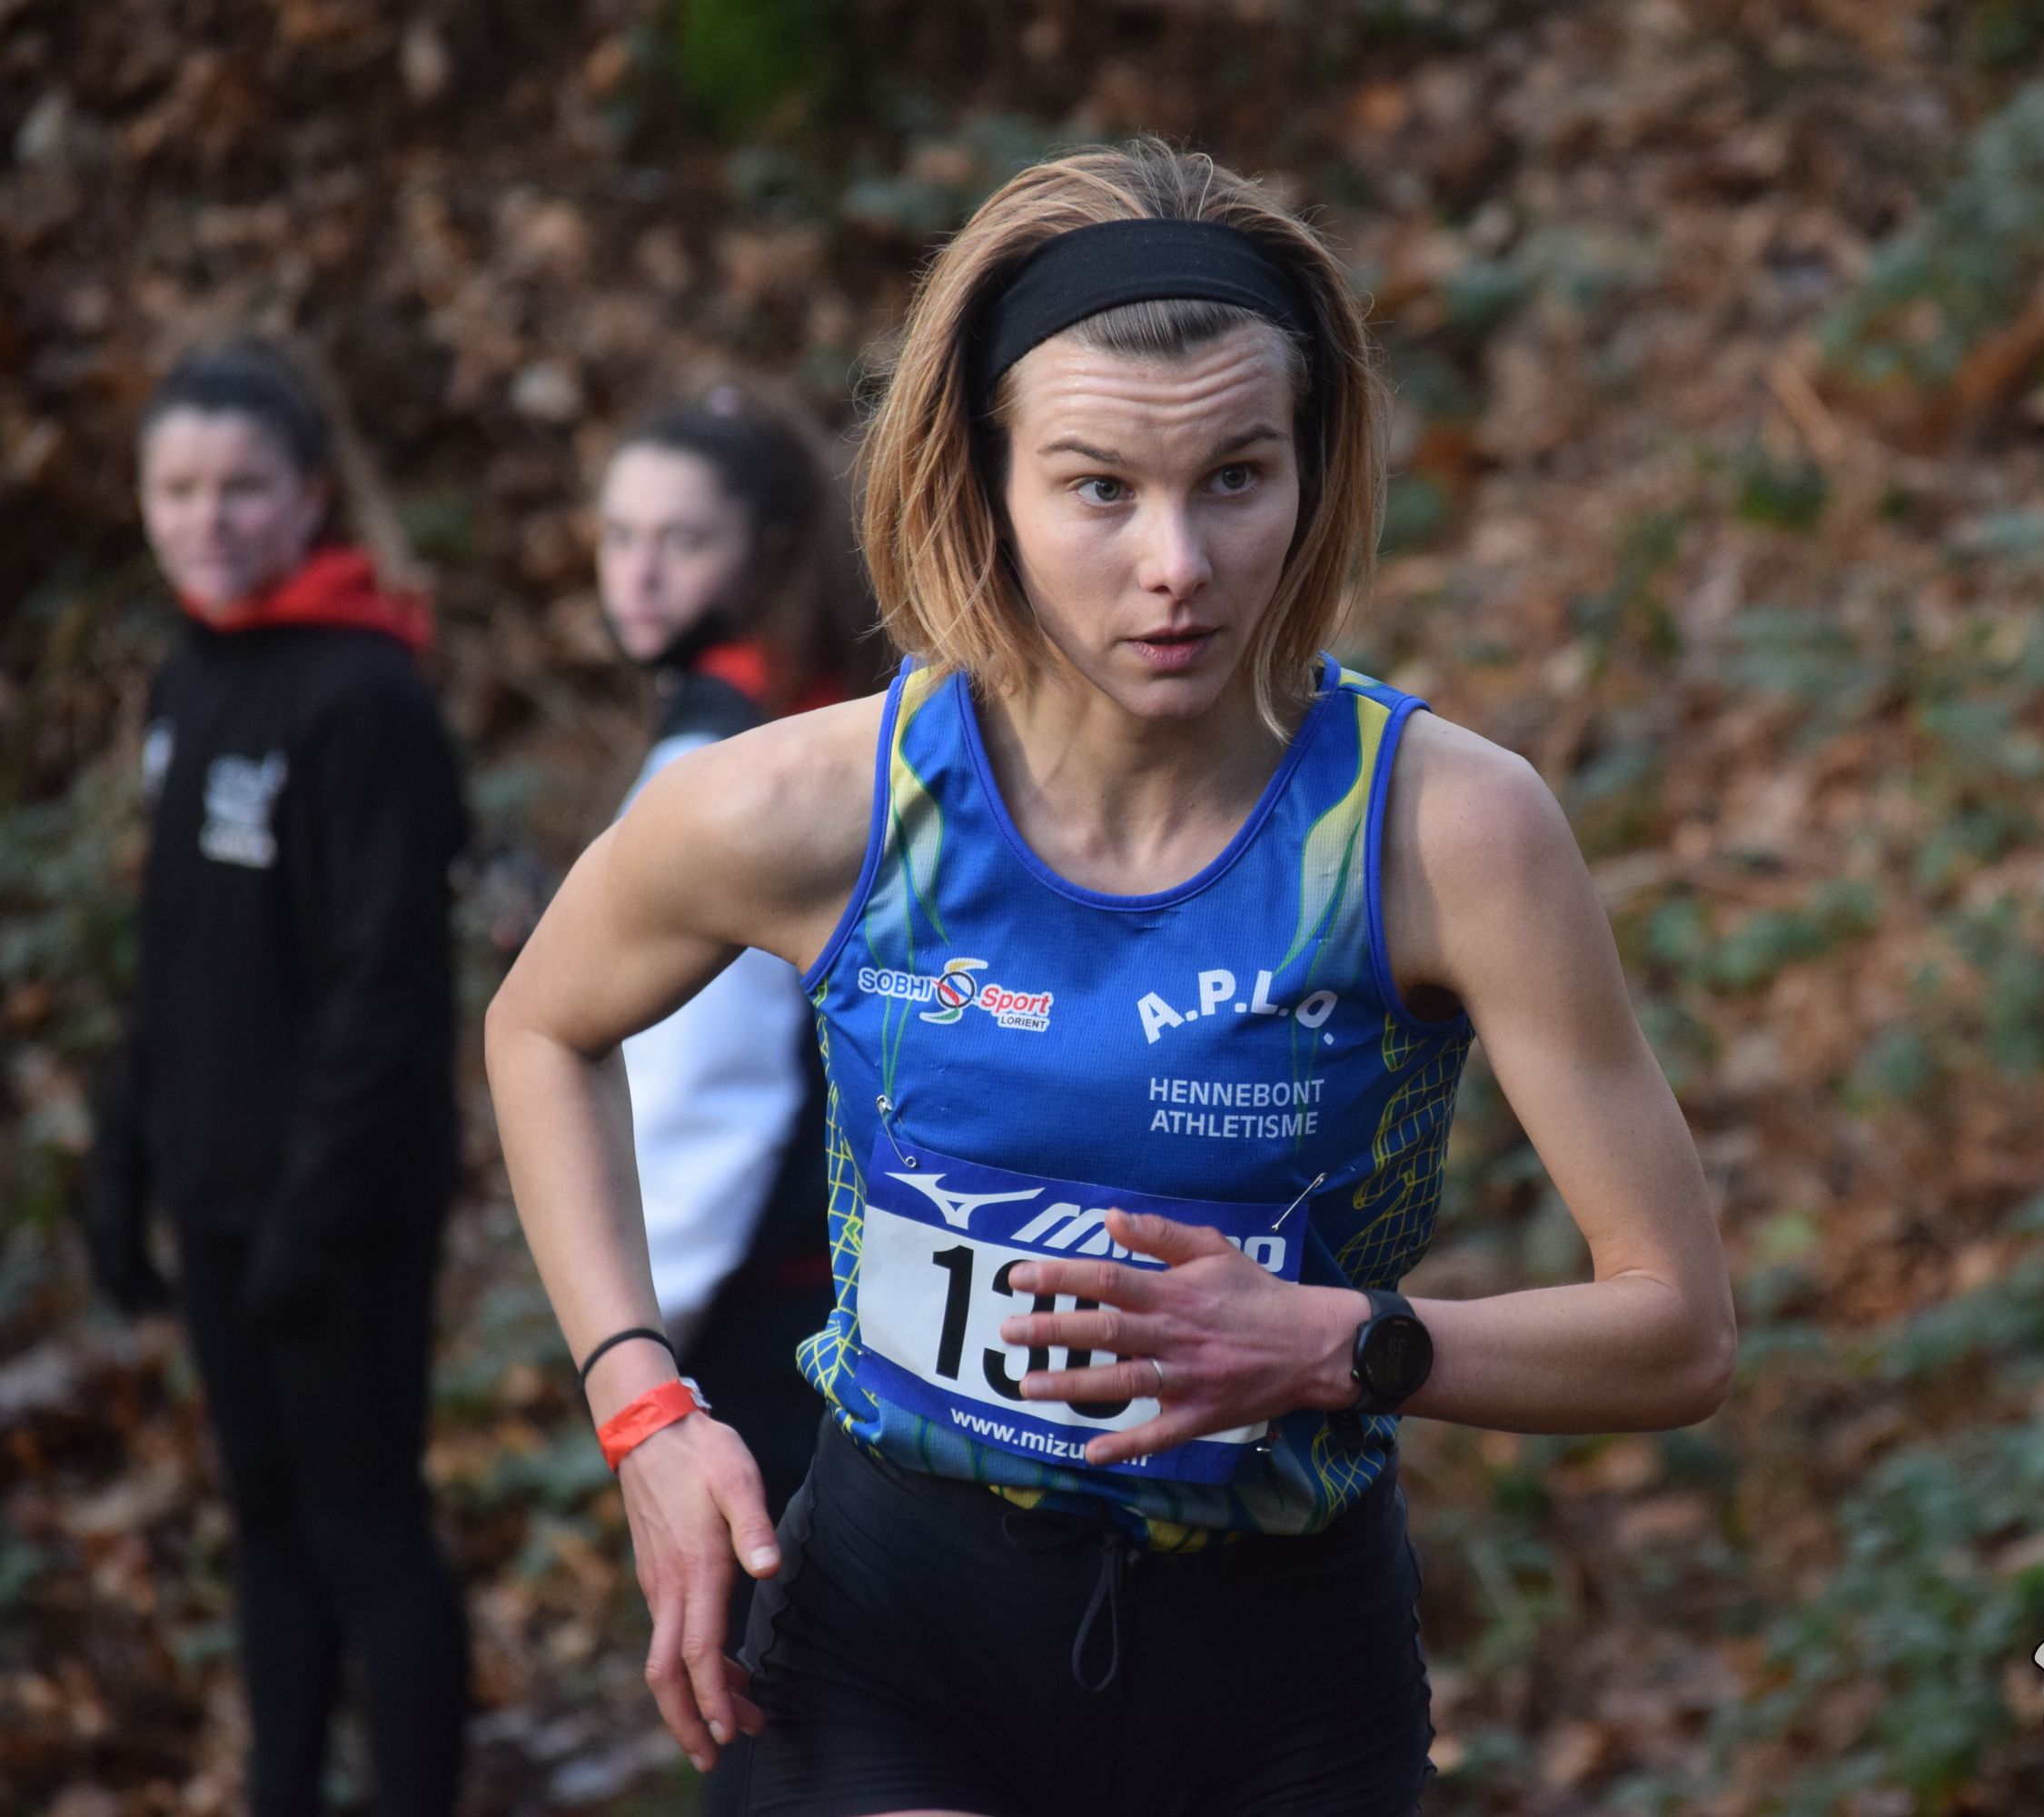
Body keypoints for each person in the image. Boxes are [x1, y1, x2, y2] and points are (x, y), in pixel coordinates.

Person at [485, 140, 1734, 1817]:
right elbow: (541, 1024)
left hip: (1284, 1670)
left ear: (1315, 471)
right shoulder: (816, 806)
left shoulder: (1445, 831)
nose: (1177, 564)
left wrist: (1344, 1346)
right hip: (895, 1635)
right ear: (984, 483)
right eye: (1098, 490)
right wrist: (643, 1407)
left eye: (1237, 476)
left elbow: (1677, 1331)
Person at [84, 337, 471, 1817]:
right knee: (266, 1524)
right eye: (177, 489)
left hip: (336, 1210)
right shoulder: (192, 671)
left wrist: (310, 1219)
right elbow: (180, 953)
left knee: (367, 1531)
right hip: (215, 1193)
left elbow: (385, 991)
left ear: (311, 497)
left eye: (242, 487)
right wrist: (126, 1155)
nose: (209, 519)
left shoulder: (366, 698)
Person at [590, 382, 876, 1812]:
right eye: (618, 537)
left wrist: (642, 1344)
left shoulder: (718, 755)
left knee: (765, 1693)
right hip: (849, 1286)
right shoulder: (838, 717)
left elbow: (703, 1079)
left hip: (764, 1310)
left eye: (681, 541)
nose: (639, 574)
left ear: (764, 549)